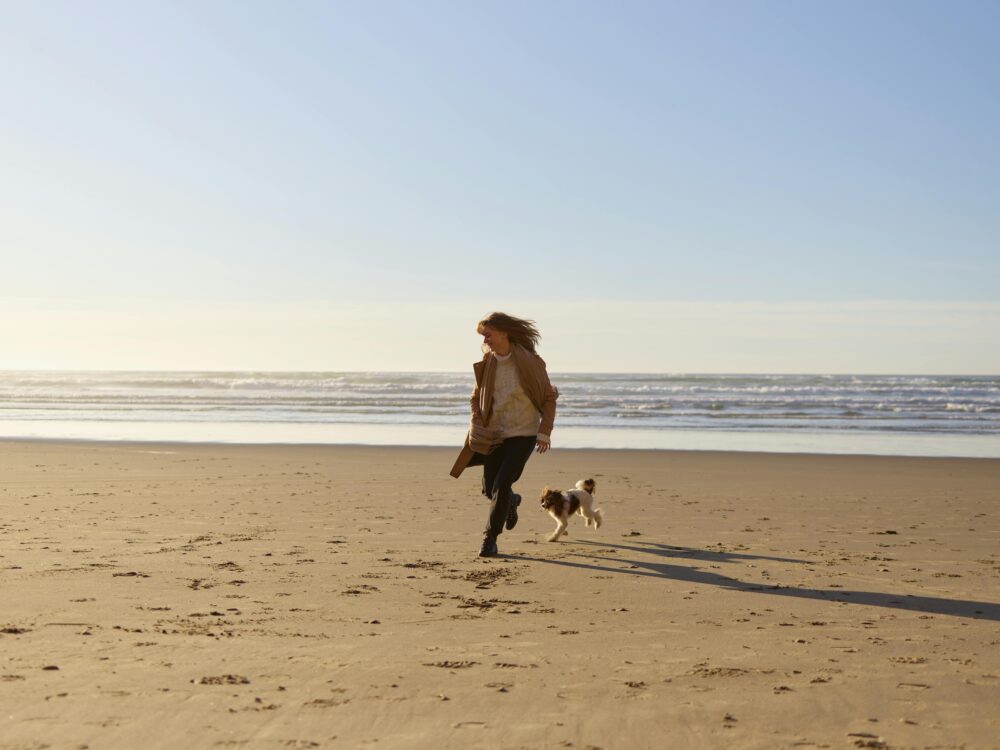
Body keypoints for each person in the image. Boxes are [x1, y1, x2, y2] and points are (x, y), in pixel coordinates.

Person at [450, 312, 558, 557]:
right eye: (483, 336)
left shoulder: (531, 362)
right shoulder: (487, 364)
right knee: (490, 489)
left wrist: (544, 432)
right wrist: (476, 422)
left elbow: (549, 397)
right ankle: (511, 501)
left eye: (488, 334)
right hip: (495, 435)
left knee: (502, 483)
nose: (485, 340)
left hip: (524, 434)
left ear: (504, 332)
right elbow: (476, 398)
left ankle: (490, 538)